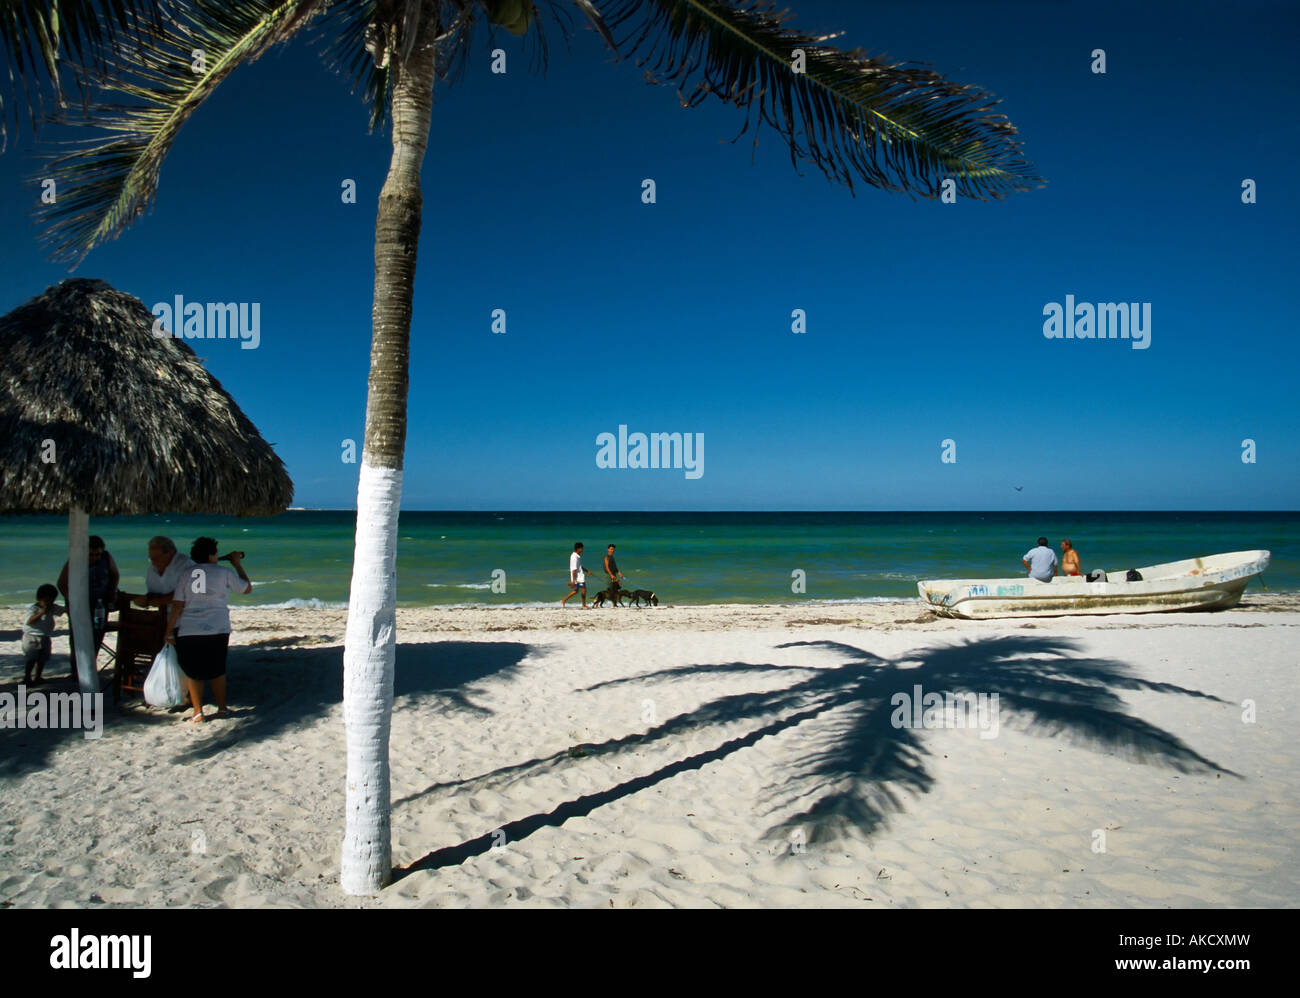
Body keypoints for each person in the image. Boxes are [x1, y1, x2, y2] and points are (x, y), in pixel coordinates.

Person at [164, 537, 251, 723]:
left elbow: (178, 604)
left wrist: (169, 629)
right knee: (217, 669)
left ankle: (197, 712)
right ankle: (222, 708)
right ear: (212, 555)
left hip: (189, 628)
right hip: (218, 627)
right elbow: (246, 588)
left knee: (193, 672)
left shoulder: (187, 573)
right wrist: (237, 564)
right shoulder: (224, 571)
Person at [57, 535, 119, 657]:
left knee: (97, 636)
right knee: (78, 640)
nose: (94, 558)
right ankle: (77, 672)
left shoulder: (106, 558)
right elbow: (62, 583)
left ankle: (91, 666)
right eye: (91, 554)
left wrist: (111, 593)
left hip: (100, 604)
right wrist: (72, 602)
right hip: (79, 606)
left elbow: (115, 575)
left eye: (97, 554)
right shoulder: (75, 560)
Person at [123, 536, 196, 609]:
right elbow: (154, 594)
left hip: (188, 615)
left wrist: (161, 601)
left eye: (156, 558)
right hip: (163, 615)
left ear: (169, 553)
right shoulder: (152, 569)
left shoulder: (186, 565)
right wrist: (145, 600)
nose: (153, 563)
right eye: (151, 559)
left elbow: (189, 593)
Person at [22, 584, 64, 685]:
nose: (49, 603)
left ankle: (38, 676)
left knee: (42, 659)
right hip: (32, 636)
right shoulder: (34, 608)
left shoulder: (52, 607)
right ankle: (27, 677)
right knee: (31, 658)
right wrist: (41, 613)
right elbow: (29, 621)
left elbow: (63, 610)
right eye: (47, 601)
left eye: (52, 600)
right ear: (40, 599)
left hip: (45, 636)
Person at [562, 542, 592, 608]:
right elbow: (573, 569)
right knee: (584, 589)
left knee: (576, 591)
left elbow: (580, 566)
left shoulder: (577, 556)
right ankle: (584, 605)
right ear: (578, 549)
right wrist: (573, 581)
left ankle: (563, 600)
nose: (582, 550)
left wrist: (587, 571)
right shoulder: (574, 557)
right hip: (578, 577)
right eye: (582, 548)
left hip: (579, 576)